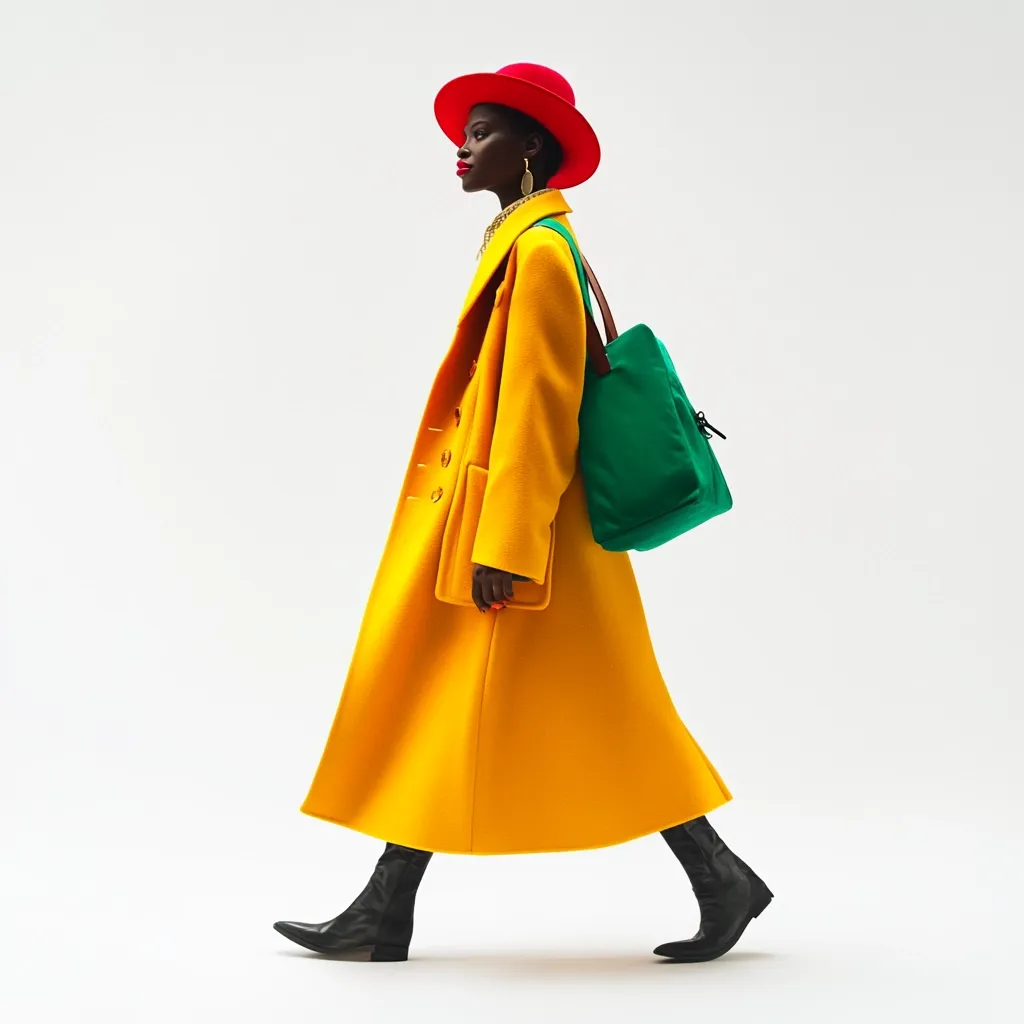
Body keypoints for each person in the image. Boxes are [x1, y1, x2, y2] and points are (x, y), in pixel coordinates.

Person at [274, 63, 771, 963]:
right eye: (462, 135)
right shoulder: (522, 241)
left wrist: (508, 544)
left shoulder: (538, 254)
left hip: (524, 534)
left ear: (530, 148)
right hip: (517, 528)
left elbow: (541, 408)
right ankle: (389, 910)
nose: (461, 150)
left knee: (579, 709)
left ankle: (388, 913)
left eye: (483, 134)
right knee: (562, 706)